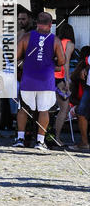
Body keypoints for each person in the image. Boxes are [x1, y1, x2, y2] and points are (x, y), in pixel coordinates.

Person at [14, 11, 64, 153]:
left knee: (23, 108)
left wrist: (27, 61)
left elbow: (15, 57)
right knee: (44, 110)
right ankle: (40, 141)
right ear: (50, 25)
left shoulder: (26, 37)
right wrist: (50, 62)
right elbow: (62, 61)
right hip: (46, 79)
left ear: (36, 24)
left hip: (28, 78)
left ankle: (20, 139)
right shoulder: (55, 40)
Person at [53, 22, 75, 147]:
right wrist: (67, 80)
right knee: (64, 109)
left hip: (50, 76)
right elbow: (65, 62)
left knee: (48, 108)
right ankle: (56, 137)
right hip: (60, 78)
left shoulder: (55, 42)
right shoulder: (70, 44)